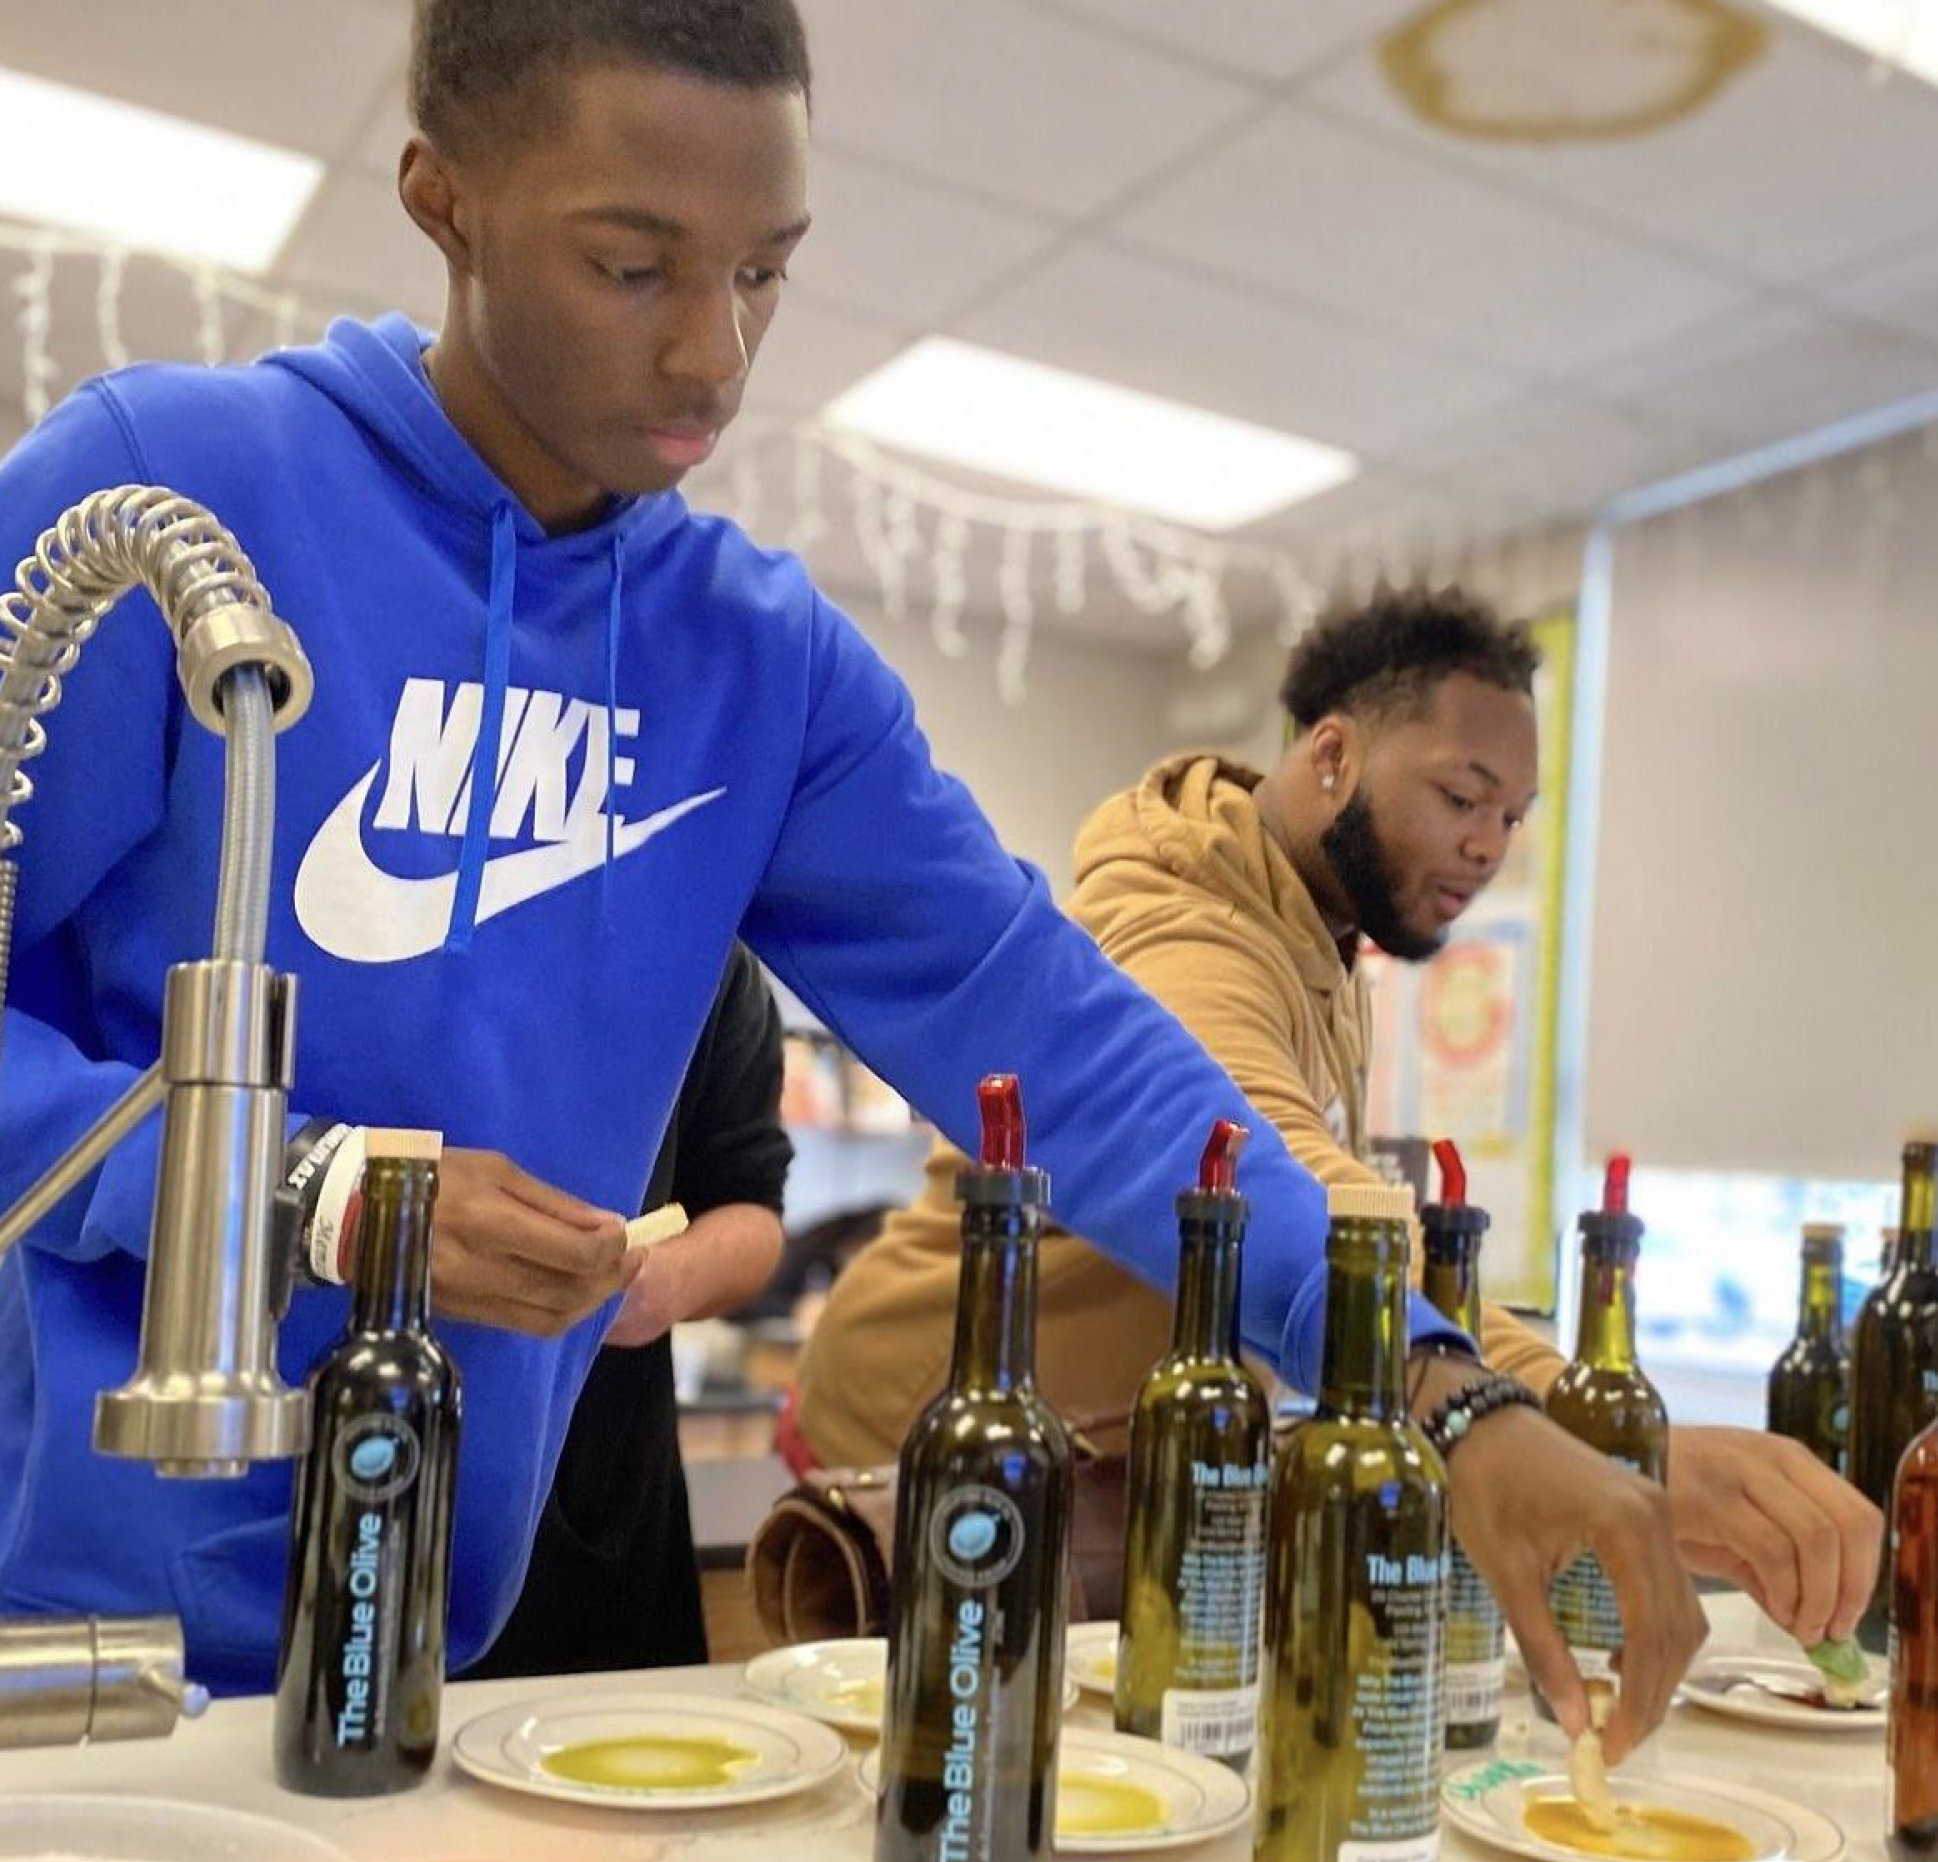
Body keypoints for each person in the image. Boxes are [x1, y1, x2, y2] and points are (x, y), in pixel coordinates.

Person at [0, 0, 1696, 1756]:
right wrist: (310, 1196)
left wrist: (1441, 1383)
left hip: (425, 1619)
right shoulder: (168, 496)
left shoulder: (757, 664)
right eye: (633, 266)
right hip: (61, 1616)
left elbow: (1072, 1045)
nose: (712, 361)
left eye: (764, 275)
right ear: (443, 198)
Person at [798, 587, 1882, 1654]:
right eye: (1463, 797)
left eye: (1512, 817)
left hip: (1087, 1461)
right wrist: (1570, 1418)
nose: (1487, 845)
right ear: (1333, 758)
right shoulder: (1191, 935)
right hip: (904, 1449)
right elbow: (1305, 1194)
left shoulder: (1312, 938)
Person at [470, 941, 789, 1676]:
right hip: (377, 1451)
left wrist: (658, 1284)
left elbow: (752, 1207)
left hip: (606, 1480)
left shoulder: (710, 959)